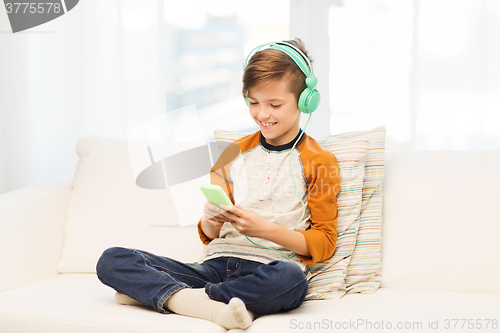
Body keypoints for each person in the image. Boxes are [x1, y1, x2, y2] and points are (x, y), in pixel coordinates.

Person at [96, 37, 341, 330]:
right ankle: (213, 304)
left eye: (275, 104)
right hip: (213, 267)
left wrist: (264, 230)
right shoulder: (232, 153)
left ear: (305, 100)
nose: (262, 114)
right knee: (111, 260)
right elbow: (211, 234)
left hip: (268, 269)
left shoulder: (319, 161)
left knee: (292, 281)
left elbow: (324, 244)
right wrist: (212, 219)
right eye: (253, 102)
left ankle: (170, 297)